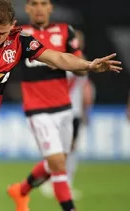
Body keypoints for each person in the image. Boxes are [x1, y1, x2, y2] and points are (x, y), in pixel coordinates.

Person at [0, 0, 121, 210]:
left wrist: (89, 65)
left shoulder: (20, 41)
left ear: (13, 26)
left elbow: (56, 58)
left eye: (1, 33)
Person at [4, 0, 115, 210]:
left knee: (56, 162)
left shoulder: (65, 31)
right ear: (27, 8)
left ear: (50, 7)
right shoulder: (18, 34)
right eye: (34, 4)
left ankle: (21, 190)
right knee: (57, 164)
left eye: (43, 3)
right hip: (37, 109)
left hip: (64, 107)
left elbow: (79, 66)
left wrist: (89, 67)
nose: (39, 8)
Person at [38, 30, 96, 199]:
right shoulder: (60, 59)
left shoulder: (81, 62)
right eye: (76, 40)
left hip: (75, 111)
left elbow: (85, 88)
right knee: (60, 149)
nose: (78, 43)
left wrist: (86, 109)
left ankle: (65, 182)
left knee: (70, 148)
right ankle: (52, 182)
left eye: (80, 41)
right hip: (59, 109)